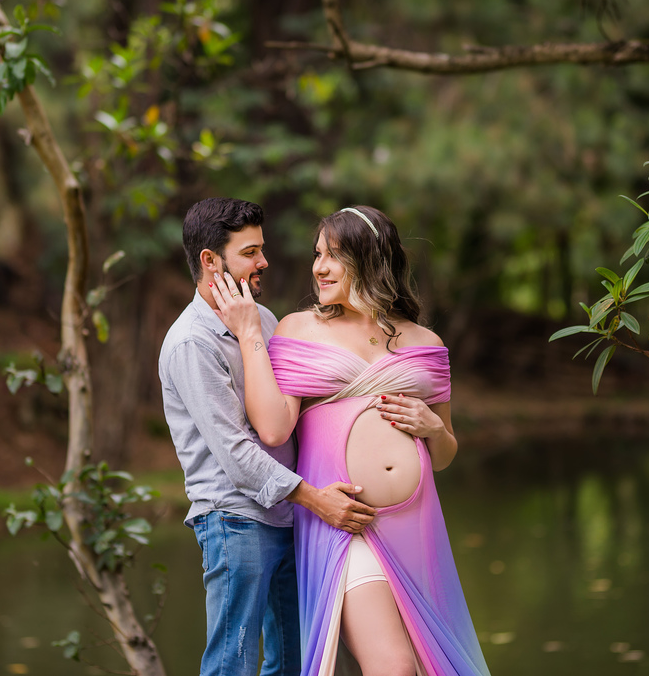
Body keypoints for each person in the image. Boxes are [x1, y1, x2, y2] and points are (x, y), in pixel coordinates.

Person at [210, 205, 491, 676]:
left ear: (371, 259)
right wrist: (248, 334)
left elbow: (443, 456)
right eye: (317, 254)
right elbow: (275, 428)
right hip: (347, 523)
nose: (318, 267)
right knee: (394, 667)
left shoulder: (428, 342)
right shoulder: (301, 329)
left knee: (429, 666)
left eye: (334, 256)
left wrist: (433, 427)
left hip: (415, 526)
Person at [159, 197, 377, 676]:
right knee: (231, 664)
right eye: (250, 252)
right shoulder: (191, 342)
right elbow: (236, 454)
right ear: (210, 261)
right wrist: (317, 500)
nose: (264, 262)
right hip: (235, 522)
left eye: (262, 249)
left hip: (291, 518)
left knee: (297, 662)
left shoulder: (269, 321)